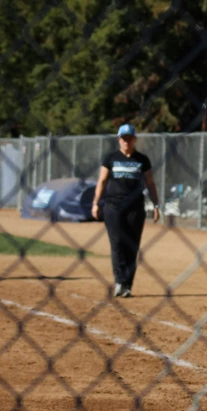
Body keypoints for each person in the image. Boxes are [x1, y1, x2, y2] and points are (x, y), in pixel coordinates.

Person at [92, 124, 160, 298]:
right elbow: (102, 181)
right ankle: (119, 281)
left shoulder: (142, 160)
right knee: (117, 244)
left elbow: (150, 183)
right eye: (123, 138)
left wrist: (156, 205)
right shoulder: (110, 158)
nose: (126, 141)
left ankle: (128, 285)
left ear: (135, 139)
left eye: (129, 138)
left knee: (132, 246)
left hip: (135, 209)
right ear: (119, 139)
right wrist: (95, 203)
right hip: (113, 207)